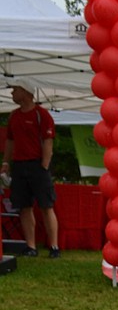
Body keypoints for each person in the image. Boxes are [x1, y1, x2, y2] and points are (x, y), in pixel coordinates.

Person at [1, 79, 60, 257]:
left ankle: (54, 247)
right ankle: (31, 246)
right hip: (19, 165)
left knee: (46, 206)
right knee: (23, 207)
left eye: (15, 90)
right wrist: (6, 163)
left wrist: (44, 165)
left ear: (26, 93)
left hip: (37, 165)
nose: (12, 93)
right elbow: (10, 141)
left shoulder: (41, 114)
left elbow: (48, 141)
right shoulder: (14, 116)